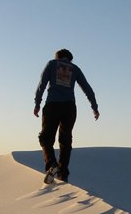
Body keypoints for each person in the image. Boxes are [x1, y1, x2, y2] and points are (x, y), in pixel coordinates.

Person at [34, 49, 99, 183]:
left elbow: (42, 84)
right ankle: (63, 173)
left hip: (52, 105)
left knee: (46, 137)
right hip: (69, 108)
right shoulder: (75, 69)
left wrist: (37, 103)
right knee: (65, 139)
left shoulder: (52, 64)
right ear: (70, 58)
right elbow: (87, 88)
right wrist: (94, 108)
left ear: (58, 57)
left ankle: (52, 165)